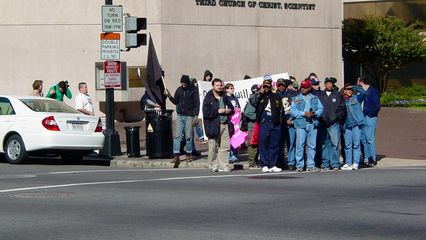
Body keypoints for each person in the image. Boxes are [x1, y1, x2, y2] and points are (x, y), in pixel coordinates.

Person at [291, 79, 324, 172]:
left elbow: (321, 109)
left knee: (312, 145)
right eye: (302, 87)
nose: (303, 89)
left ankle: (310, 165)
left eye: (305, 87)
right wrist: (303, 113)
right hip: (301, 124)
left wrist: (315, 113)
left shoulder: (315, 98)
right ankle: (300, 165)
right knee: (300, 145)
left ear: (309, 88)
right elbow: (293, 111)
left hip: (312, 123)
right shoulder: (296, 98)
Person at [203, 78, 235, 172]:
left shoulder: (224, 97)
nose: (219, 87)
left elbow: (232, 109)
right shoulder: (209, 98)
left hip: (225, 124)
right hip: (213, 125)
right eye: (217, 85)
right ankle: (213, 165)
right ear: (213, 86)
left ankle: (223, 165)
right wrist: (217, 111)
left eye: (221, 85)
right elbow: (206, 113)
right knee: (213, 147)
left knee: (225, 147)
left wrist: (228, 111)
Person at [167, 75, 200, 163]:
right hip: (180, 115)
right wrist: (169, 96)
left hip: (189, 115)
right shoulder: (179, 90)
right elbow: (176, 101)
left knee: (188, 136)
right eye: (182, 83)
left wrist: (196, 115)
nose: (183, 84)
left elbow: (197, 103)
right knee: (177, 136)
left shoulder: (193, 90)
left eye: (185, 83)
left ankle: (188, 154)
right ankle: (176, 155)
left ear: (187, 83)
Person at [255, 75, 284, 173]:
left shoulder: (276, 96)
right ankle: (264, 164)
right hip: (265, 123)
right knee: (263, 144)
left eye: (268, 86)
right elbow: (253, 102)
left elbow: (281, 109)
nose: (266, 88)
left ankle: (272, 164)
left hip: (275, 123)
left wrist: (279, 120)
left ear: (271, 86)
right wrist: (259, 94)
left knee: (274, 144)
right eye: (265, 86)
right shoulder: (260, 96)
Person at [318, 77, 346, 170]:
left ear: (333, 84)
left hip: (334, 123)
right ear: (325, 84)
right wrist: (322, 118)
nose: (329, 85)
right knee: (324, 144)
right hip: (323, 123)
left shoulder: (337, 95)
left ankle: (335, 164)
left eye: (331, 83)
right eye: (327, 83)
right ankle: (325, 163)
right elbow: (317, 108)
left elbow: (342, 108)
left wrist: (336, 117)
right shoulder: (320, 95)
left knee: (335, 144)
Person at [355, 76, 381, 167]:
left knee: (369, 138)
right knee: (363, 138)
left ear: (361, 82)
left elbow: (377, 105)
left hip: (370, 117)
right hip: (362, 117)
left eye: (358, 81)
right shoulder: (360, 92)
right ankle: (366, 158)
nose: (357, 83)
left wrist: (369, 114)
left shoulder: (372, 91)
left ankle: (372, 158)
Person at [341, 83, 365, 170]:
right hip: (347, 125)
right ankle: (348, 163)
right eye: (347, 89)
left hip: (356, 124)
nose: (349, 91)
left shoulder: (356, 98)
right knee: (347, 145)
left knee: (356, 144)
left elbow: (363, 93)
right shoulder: (343, 100)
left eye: (350, 89)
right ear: (344, 91)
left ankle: (355, 162)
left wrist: (354, 87)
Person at [275, 78, 295, 169]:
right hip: (280, 123)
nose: (281, 87)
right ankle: (280, 162)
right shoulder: (274, 96)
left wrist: (291, 119)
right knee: (280, 144)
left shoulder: (291, 94)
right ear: (277, 86)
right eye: (279, 85)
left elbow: (295, 108)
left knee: (291, 143)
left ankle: (291, 162)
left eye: (283, 85)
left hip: (290, 121)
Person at [243, 84, 260, 169]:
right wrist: (259, 116)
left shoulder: (258, 99)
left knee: (257, 144)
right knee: (252, 144)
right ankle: (252, 163)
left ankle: (255, 161)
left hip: (258, 125)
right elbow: (248, 113)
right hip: (252, 126)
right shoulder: (252, 100)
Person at [225, 83, 241, 163]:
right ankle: (230, 155)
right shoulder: (225, 98)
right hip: (229, 120)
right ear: (227, 89)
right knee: (229, 139)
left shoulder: (235, 98)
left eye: (233, 88)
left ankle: (235, 156)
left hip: (236, 121)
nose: (232, 89)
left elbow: (238, 107)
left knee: (236, 138)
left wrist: (238, 110)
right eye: (231, 88)